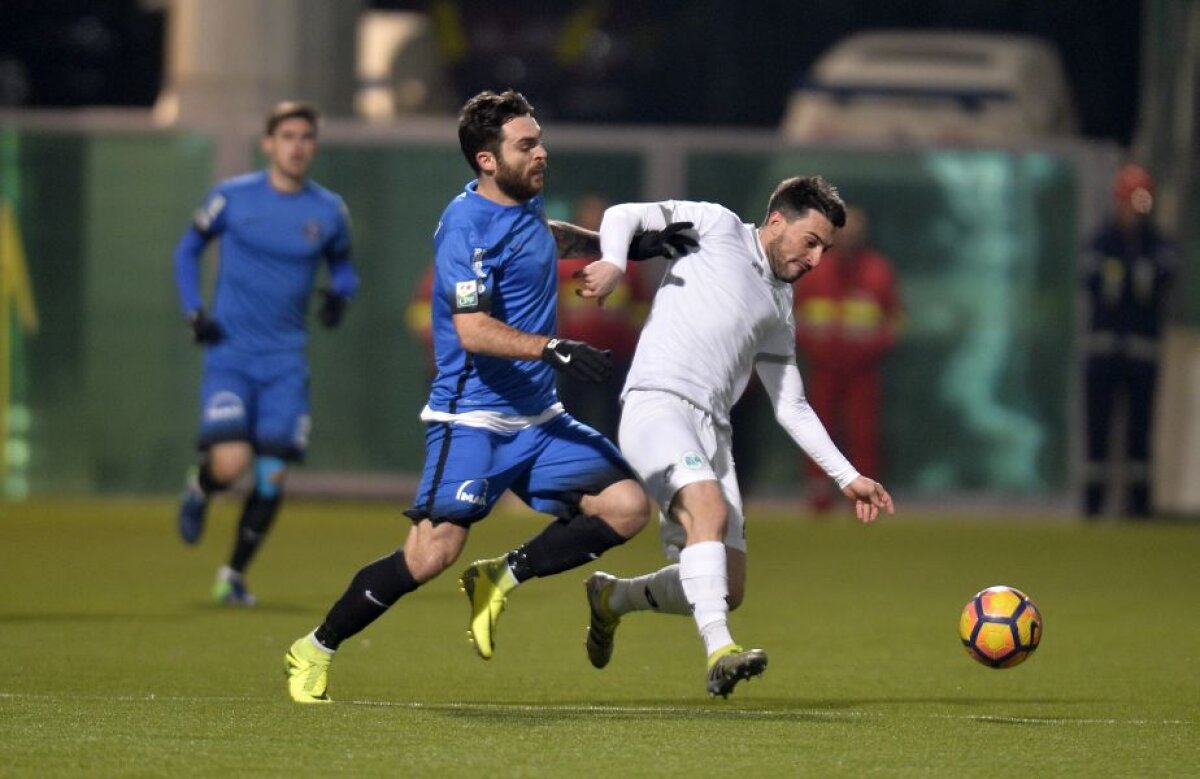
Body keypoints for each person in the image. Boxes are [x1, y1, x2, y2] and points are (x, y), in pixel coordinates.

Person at [283, 89, 697, 704]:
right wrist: (553, 349)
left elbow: (545, 237)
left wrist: (629, 249)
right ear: (485, 159)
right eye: (526, 145)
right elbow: (471, 330)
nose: (541, 153)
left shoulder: (523, 205)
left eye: (539, 140)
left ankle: (501, 577)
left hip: (538, 419)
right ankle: (314, 649)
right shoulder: (464, 227)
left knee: (627, 505)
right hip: (471, 418)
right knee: (429, 555)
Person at [572, 176, 895, 698]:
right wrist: (613, 261)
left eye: (825, 249)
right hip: (656, 403)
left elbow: (790, 405)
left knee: (728, 586)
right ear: (775, 223)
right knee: (708, 510)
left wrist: (847, 475)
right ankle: (720, 653)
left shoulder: (780, 306)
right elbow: (623, 214)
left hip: (710, 430)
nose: (816, 260)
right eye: (810, 242)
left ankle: (612, 599)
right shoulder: (715, 225)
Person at [173, 101, 359, 606]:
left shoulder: (327, 210)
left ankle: (232, 575)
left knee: (273, 475)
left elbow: (343, 267)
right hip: (230, 354)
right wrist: (194, 309)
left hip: (285, 362)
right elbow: (187, 250)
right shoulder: (232, 198)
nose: (297, 146)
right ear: (268, 144)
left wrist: (341, 295)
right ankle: (201, 488)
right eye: (288, 136)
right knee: (231, 464)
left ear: (313, 146)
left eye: (306, 137)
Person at [1081, 163, 1178, 518]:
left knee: (1139, 434)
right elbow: (1097, 283)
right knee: (1098, 433)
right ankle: (1093, 507)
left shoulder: (1157, 244)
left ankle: (1139, 509)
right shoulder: (1102, 240)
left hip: (1142, 355)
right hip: (1103, 353)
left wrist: (1131, 276)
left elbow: (1159, 283)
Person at [792, 206, 902, 512]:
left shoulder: (878, 272)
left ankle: (867, 497)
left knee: (863, 434)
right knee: (817, 431)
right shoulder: (815, 271)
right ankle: (818, 496)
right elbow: (796, 318)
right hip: (823, 369)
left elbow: (894, 321)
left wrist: (871, 348)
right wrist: (817, 348)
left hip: (864, 371)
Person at [554, 193, 652, 439]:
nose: (594, 221)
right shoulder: (563, 268)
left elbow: (641, 309)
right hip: (572, 358)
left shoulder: (626, 267)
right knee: (570, 418)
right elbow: (555, 311)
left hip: (616, 358)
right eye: (589, 216)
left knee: (615, 421)